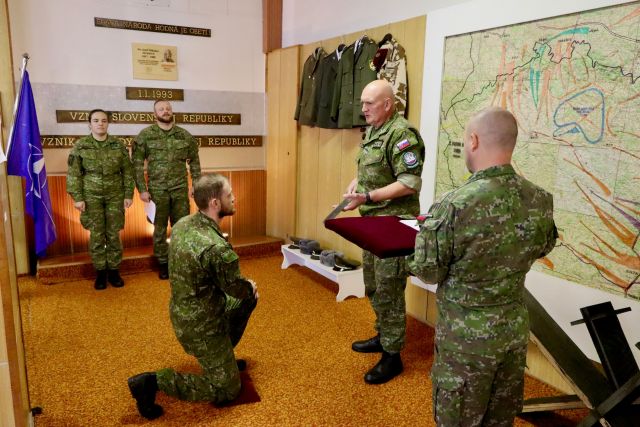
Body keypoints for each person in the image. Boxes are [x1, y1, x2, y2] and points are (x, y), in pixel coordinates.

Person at [407, 107, 557, 426]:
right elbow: (544, 246)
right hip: (512, 333)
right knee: (499, 420)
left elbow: (427, 271)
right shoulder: (540, 199)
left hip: (466, 342)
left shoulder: (454, 204)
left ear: (473, 141)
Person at [128, 174, 258, 420]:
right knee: (228, 389)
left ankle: (222, 358)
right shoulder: (215, 248)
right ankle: (154, 382)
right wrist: (249, 287)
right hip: (202, 327)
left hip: (183, 315)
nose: (234, 198)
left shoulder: (183, 223)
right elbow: (236, 289)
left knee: (246, 298)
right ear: (215, 203)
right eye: (229, 195)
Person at [342, 79, 425, 384]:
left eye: (369, 103)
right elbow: (377, 169)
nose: (363, 109)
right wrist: (358, 182)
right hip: (373, 224)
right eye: (362, 103)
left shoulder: (402, 134)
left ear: (388, 104)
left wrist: (368, 196)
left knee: (389, 290)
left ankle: (393, 356)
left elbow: (409, 182)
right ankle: (383, 334)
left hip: (393, 225)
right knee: (374, 285)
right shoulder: (376, 130)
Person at [132, 100, 201, 279]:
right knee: (160, 229)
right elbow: (137, 165)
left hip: (180, 189)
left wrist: (196, 184)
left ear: (172, 111)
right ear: (155, 114)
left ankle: (179, 262)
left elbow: (194, 161)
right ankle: (163, 263)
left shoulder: (184, 135)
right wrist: (142, 189)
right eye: (161, 109)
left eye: (168, 108)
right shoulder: (145, 136)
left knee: (182, 228)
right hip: (157, 191)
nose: (165, 111)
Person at [66, 109, 134, 290]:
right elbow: (74, 174)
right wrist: (78, 198)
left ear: (108, 123)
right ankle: (100, 273)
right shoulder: (81, 146)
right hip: (91, 196)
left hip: (115, 195)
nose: (100, 124)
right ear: (89, 124)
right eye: (96, 120)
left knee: (113, 234)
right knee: (96, 235)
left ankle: (114, 271)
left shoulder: (118, 145)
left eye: (104, 120)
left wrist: (128, 194)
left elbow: (127, 172)